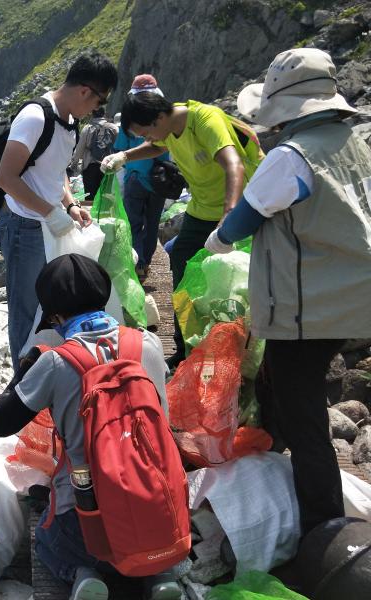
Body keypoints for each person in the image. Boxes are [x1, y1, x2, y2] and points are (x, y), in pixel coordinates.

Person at [204, 48, 371, 535]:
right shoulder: (355, 140)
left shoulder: (290, 157)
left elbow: (241, 221)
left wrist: (214, 241)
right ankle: (269, 454)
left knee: (306, 420)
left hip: (307, 307)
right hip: (354, 295)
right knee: (280, 377)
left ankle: (324, 525)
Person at [0, 253, 176, 600]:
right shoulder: (147, 345)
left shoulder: (55, 363)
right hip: (155, 507)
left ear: (56, 316)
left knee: (46, 536)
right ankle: (158, 575)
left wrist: (26, 368)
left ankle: (84, 574)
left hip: (87, 519)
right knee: (141, 536)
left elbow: (1, 423)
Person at [104, 86, 262, 368]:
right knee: (180, 265)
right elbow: (158, 146)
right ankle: (185, 345)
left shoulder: (204, 119)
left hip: (240, 208)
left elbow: (233, 164)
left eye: (144, 132)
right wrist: (126, 157)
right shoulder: (168, 130)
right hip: (201, 210)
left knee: (241, 279)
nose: (146, 138)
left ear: (157, 119)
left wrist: (230, 216)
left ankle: (244, 349)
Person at [0, 51, 117, 373]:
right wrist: (50, 212)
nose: (97, 110)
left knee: (50, 305)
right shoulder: (36, 117)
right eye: (98, 102)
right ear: (84, 91)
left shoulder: (71, 122)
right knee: (27, 308)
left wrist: (70, 205)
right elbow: (5, 177)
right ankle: (22, 385)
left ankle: (44, 372)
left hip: (47, 224)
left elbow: (56, 172)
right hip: (23, 225)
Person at [112, 75, 171, 281]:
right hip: (160, 179)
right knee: (152, 222)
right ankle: (145, 261)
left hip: (134, 177)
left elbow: (120, 148)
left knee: (133, 222)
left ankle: (137, 262)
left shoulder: (131, 116)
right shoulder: (162, 116)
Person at [69, 108, 118, 200]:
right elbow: (118, 148)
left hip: (90, 167)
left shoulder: (87, 128)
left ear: (92, 114)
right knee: (106, 197)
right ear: (104, 114)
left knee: (90, 197)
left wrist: (74, 165)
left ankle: (90, 214)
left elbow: (79, 149)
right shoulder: (114, 128)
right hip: (108, 166)